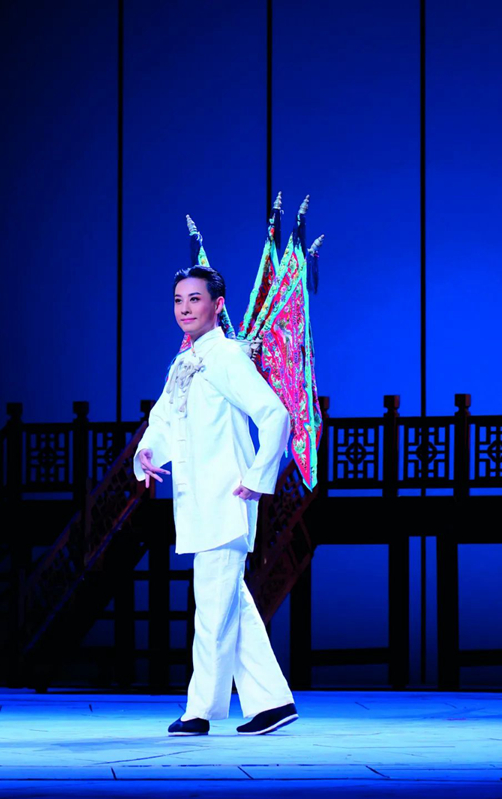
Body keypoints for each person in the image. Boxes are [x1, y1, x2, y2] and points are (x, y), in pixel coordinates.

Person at [133, 264, 298, 736]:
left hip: (226, 497)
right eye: (178, 300)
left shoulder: (226, 356)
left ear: (217, 305)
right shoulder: (184, 361)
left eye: (195, 299)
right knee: (229, 605)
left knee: (212, 606)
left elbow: (275, 414)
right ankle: (273, 702)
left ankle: (199, 711)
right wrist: (146, 452)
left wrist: (259, 476)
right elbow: (164, 420)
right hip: (198, 500)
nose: (185, 308)